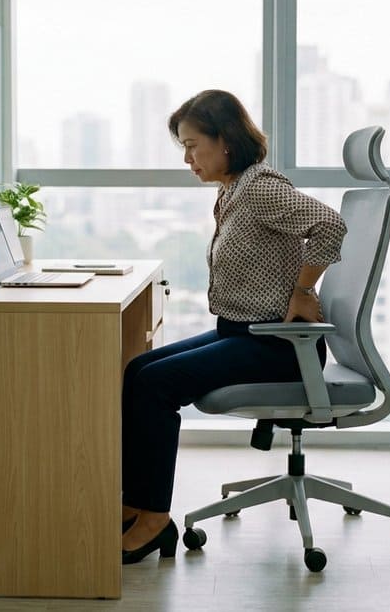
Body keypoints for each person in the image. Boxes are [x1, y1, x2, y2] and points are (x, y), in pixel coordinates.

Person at [120, 89, 348, 564]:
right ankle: (135, 502)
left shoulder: (260, 188)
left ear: (224, 141)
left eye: (192, 145)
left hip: (278, 347)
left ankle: (155, 520)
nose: (187, 159)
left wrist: (304, 290)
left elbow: (330, 225)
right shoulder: (233, 189)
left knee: (156, 385)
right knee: (139, 369)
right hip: (242, 331)